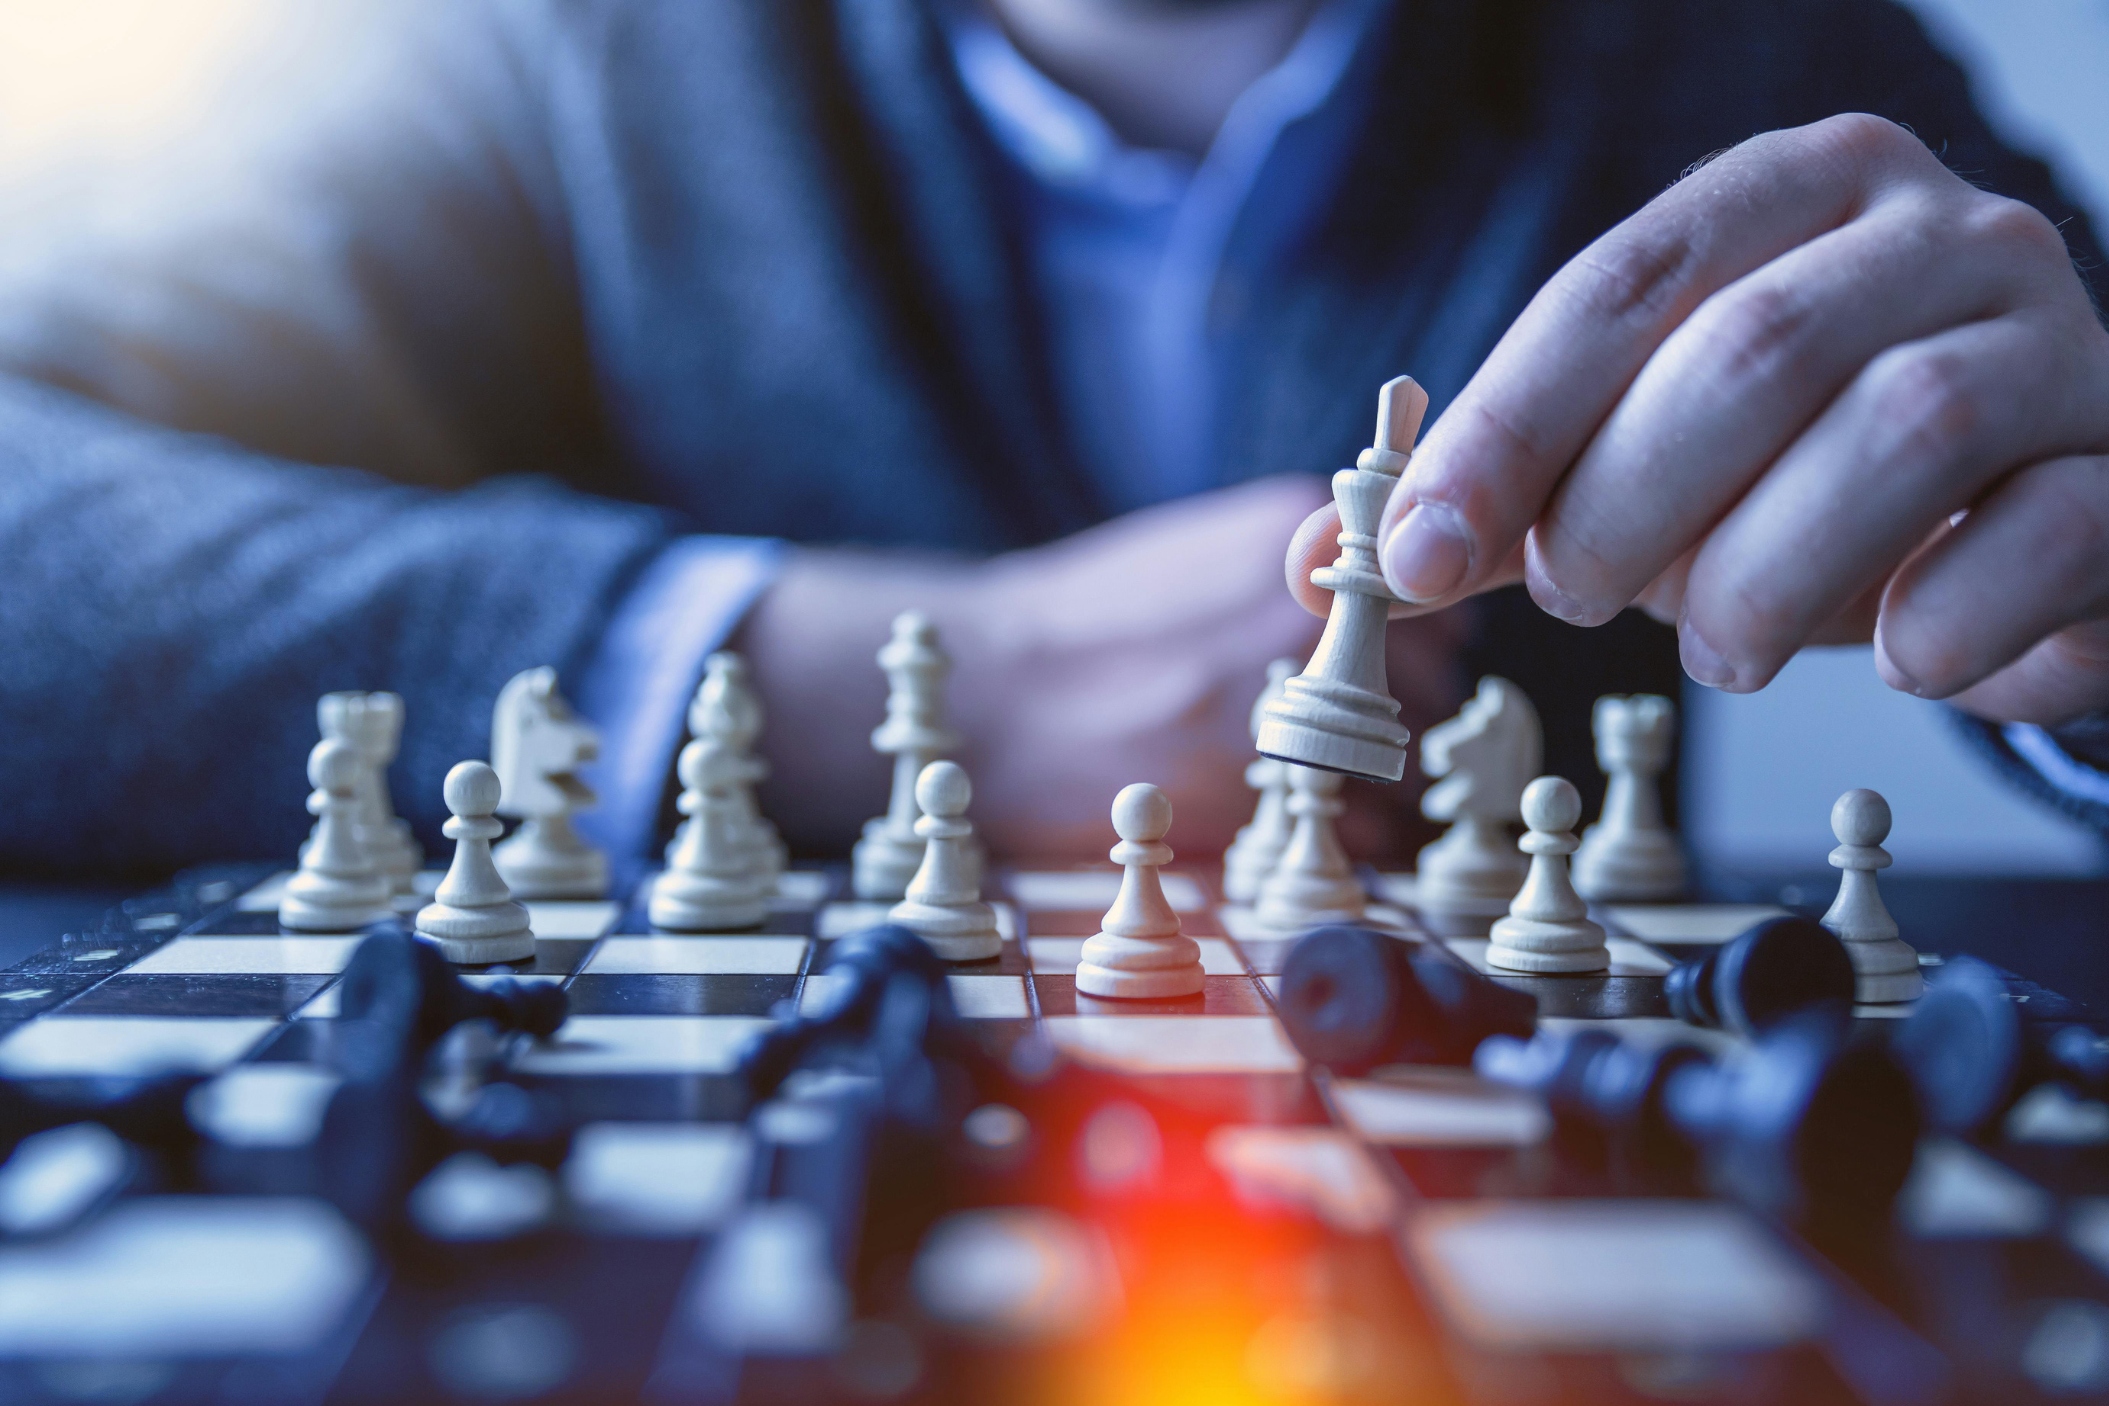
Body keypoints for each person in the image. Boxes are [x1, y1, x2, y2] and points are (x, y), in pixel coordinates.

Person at [0, 0, 2101, 878]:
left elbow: (2057, 477)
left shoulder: (1745, 56)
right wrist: (855, 681)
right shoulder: (519, 59)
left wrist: (2093, 651)